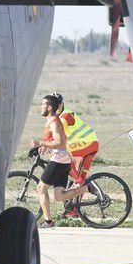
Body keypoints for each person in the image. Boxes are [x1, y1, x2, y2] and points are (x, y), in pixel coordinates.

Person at [30, 93, 89, 229]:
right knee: (59, 196)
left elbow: (61, 143)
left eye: (43, 104)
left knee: (41, 188)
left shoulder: (55, 122)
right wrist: (44, 145)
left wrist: (40, 142)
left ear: (49, 107)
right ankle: (88, 188)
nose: (40, 107)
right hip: (62, 160)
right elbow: (54, 140)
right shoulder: (51, 121)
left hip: (59, 159)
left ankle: (48, 222)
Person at [57, 102, 99, 218]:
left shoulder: (65, 116)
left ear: (61, 105)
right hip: (87, 143)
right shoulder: (58, 117)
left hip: (88, 142)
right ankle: (74, 210)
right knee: (79, 178)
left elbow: (56, 134)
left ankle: (84, 183)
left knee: (64, 156)